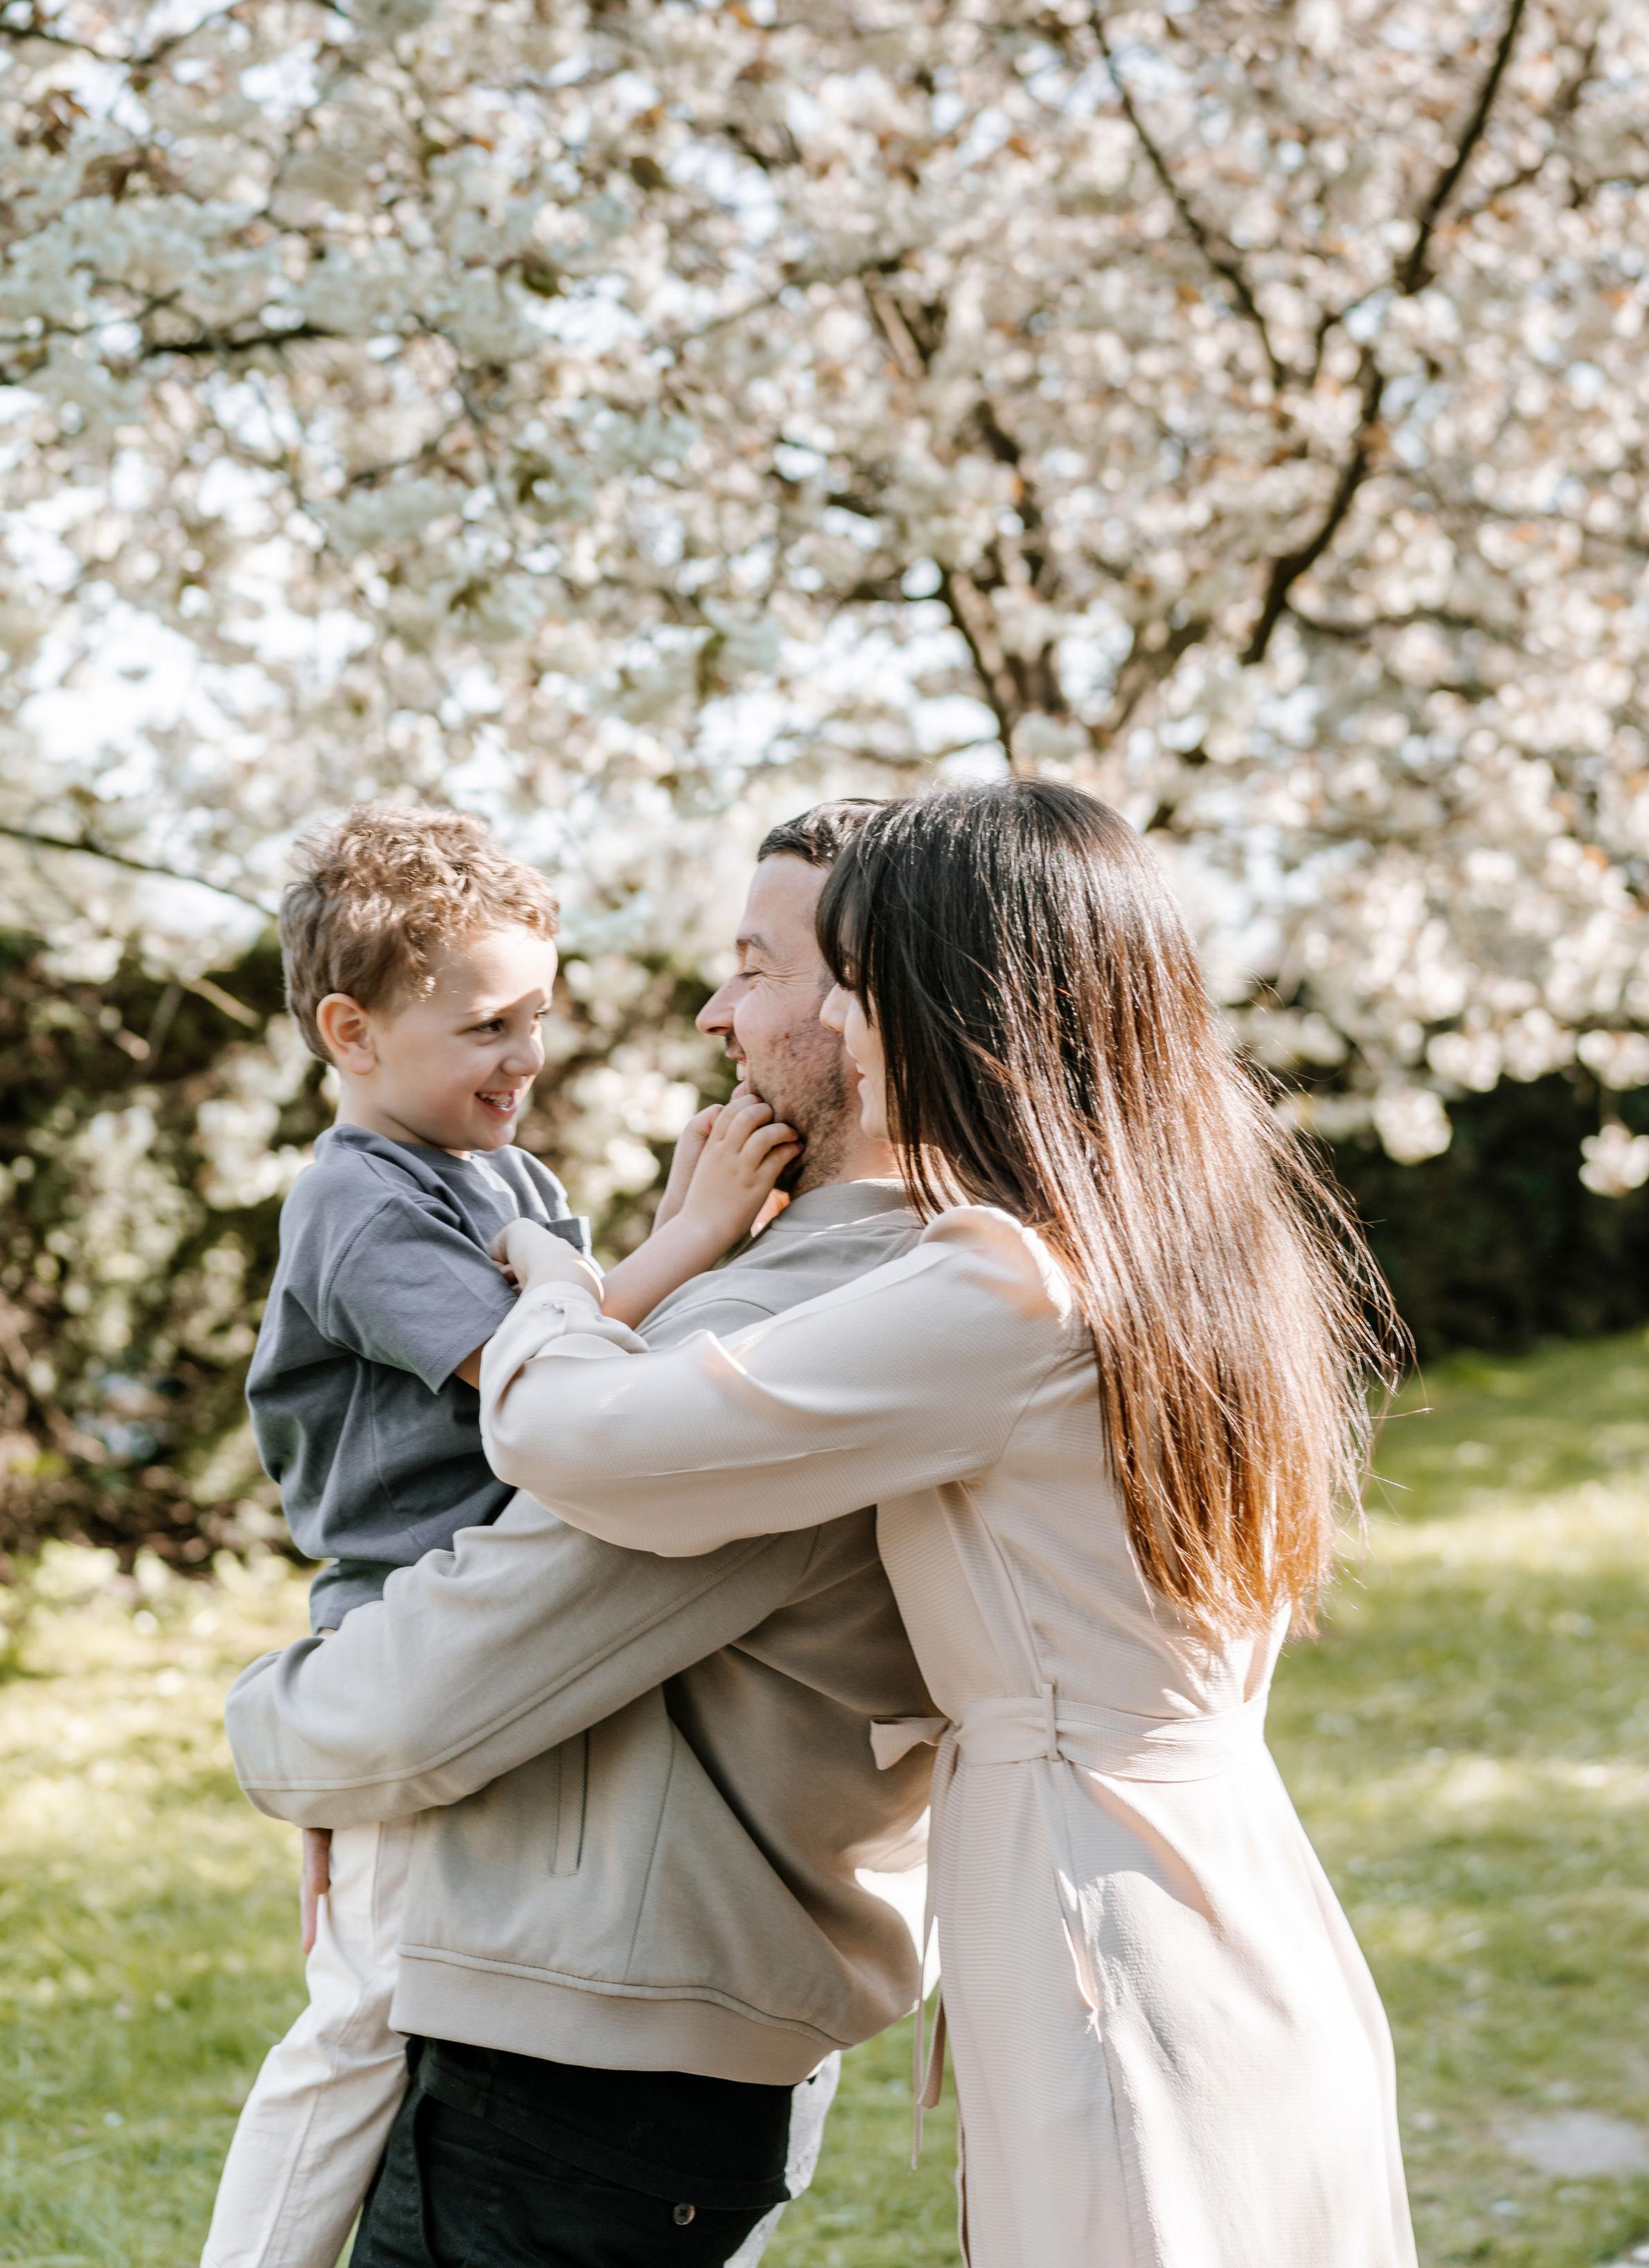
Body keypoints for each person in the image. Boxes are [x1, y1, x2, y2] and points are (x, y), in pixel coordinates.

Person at [479, 782, 1419, 2268]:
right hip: (1229, 1888)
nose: (839, 1031)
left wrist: (551, 1286)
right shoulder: (1196, 1242)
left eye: (854, 983)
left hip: (1104, 1932)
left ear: (951, 1002)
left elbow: (583, 1444)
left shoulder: (1003, 1288)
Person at [222, 802, 941, 2268]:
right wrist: (676, 1247)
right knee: (352, 2011)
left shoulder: (530, 1188)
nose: (528, 1058)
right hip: (394, 1583)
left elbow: (579, 1405)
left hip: (601, 2012)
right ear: (351, 1030)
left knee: (364, 2000)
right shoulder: (359, 1196)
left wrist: (643, 1259)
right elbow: (531, 1389)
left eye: (754, 963)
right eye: (488, 1023)